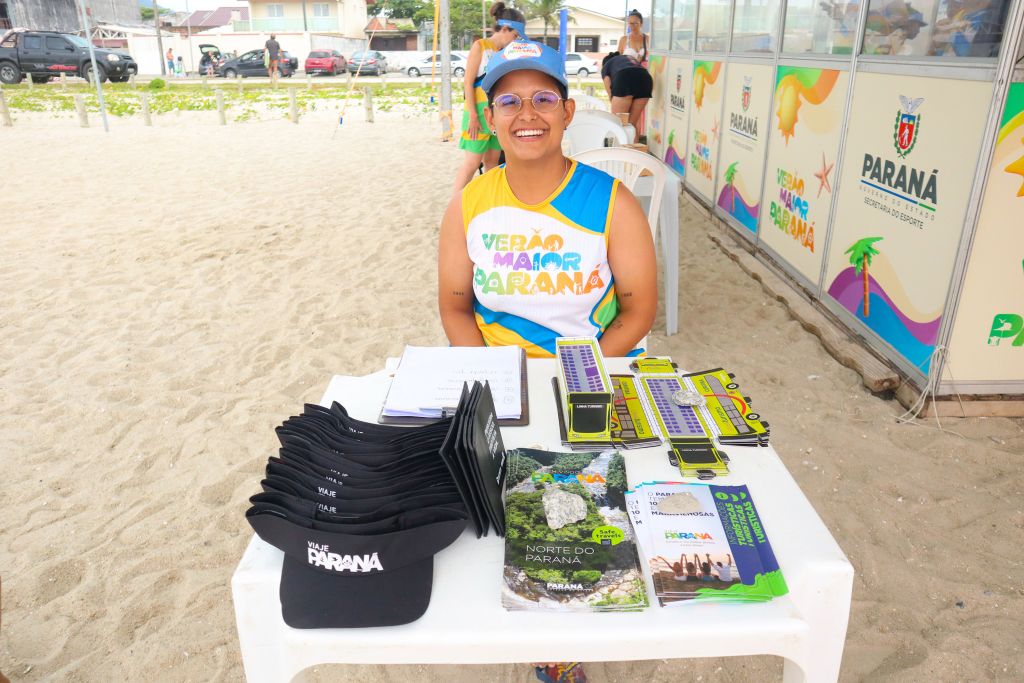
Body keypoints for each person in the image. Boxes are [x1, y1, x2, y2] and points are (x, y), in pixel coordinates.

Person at [438, 39, 657, 362]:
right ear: (490, 117)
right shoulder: (466, 205)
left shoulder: (615, 203)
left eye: (544, 99)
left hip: (589, 370)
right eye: (509, 102)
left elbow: (638, 311)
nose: (527, 115)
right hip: (496, 376)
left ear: (567, 112)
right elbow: (455, 309)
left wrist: (576, 376)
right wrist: (492, 375)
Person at [452, 1, 525, 191]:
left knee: (493, 162)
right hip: (476, 113)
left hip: (496, 114)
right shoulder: (480, 46)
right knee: (472, 163)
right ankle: (454, 207)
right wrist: (473, 117)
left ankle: (490, 200)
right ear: (506, 28)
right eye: (515, 35)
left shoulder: (505, 53)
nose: (516, 40)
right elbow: (468, 82)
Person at [601, 52, 653, 132]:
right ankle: (634, 143)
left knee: (619, 125)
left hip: (625, 77)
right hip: (645, 78)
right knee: (631, 125)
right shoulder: (628, 58)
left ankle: (620, 144)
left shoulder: (606, 65)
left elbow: (610, 93)